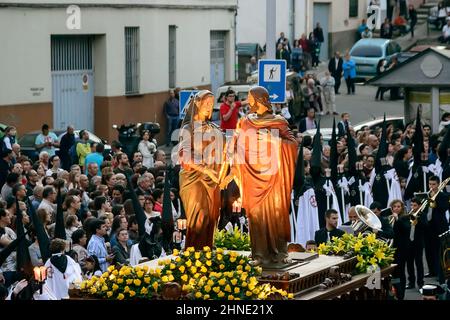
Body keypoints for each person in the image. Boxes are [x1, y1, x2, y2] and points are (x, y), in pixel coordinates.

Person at [220, 86, 297, 266]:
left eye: (250, 97)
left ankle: (279, 252)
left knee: (275, 214)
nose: (248, 101)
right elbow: (237, 145)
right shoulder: (245, 122)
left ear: (259, 99)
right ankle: (259, 255)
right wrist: (231, 168)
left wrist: (274, 139)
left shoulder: (278, 121)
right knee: (255, 216)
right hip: (251, 177)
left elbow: (292, 144)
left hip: (273, 177)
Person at [178, 90, 225, 249]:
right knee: (199, 218)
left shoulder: (215, 128)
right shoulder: (188, 128)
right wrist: (206, 170)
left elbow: (226, 151)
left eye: (211, 104)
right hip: (194, 180)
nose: (209, 107)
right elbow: (185, 154)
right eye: (206, 103)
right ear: (197, 104)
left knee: (212, 217)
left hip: (214, 180)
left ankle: (207, 250)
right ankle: (195, 255)